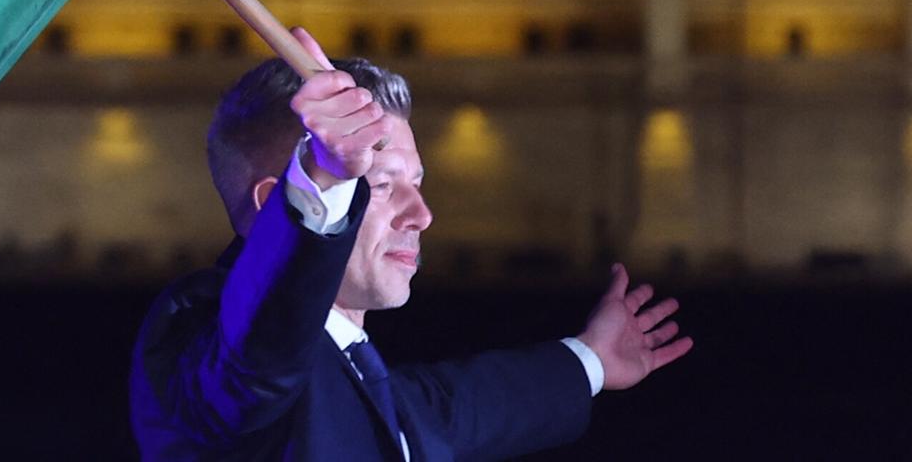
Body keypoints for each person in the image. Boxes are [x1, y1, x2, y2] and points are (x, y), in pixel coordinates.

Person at [130, 28, 693, 461]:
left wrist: (592, 360)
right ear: (273, 204)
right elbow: (257, 359)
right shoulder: (208, 336)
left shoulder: (364, 384)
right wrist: (323, 180)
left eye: (417, 184)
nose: (421, 216)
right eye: (378, 185)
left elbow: (456, 408)